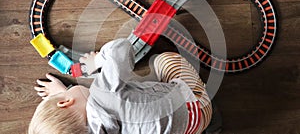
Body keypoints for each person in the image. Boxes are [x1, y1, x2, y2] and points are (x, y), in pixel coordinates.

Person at [29, 38, 212, 134]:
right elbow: (121, 48)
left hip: (185, 130)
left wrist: (65, 93)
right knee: (164, 60)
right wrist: (95, 62)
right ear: (66, 102)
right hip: (196, 109)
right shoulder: (103, 92)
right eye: (61, 98)